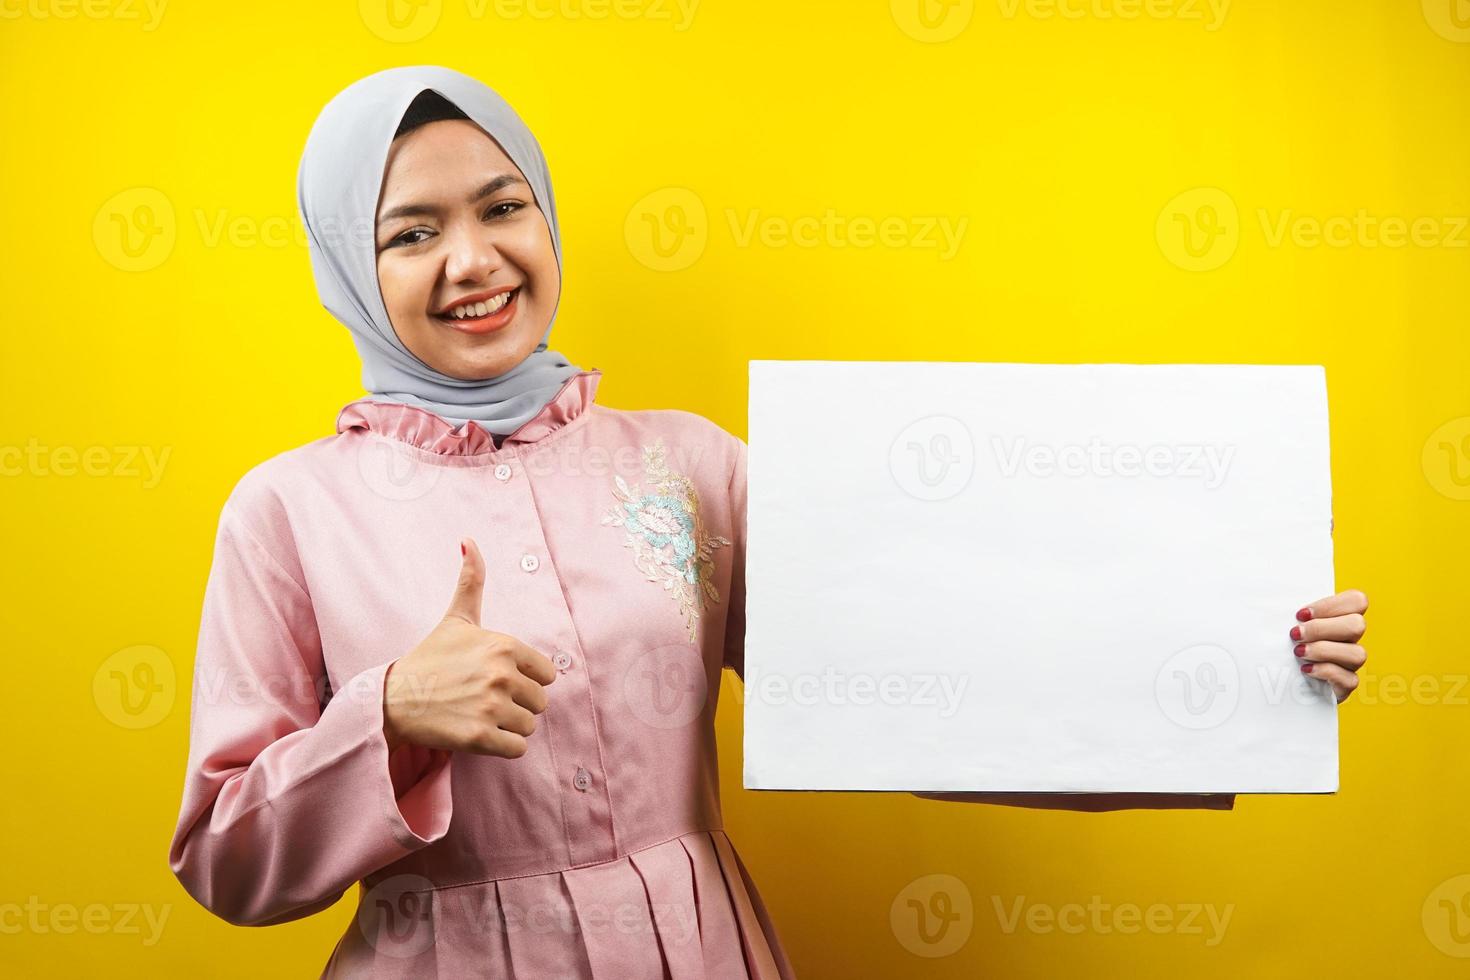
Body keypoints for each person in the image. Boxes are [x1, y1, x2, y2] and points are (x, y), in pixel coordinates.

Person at [167, 64, 1371, 977]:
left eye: (503, 207)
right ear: (346, 264)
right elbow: (222, 851)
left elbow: (932, 676)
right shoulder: (287, 511)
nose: (474, 259)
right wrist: (384, 717)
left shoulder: (688, 464)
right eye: (411, 232)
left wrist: (1233, 668)